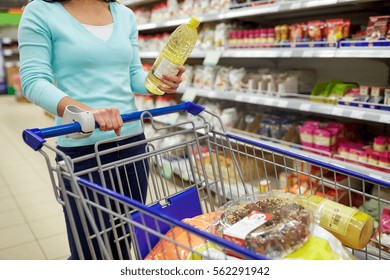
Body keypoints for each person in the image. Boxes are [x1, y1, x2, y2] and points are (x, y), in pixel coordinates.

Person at [18, 0, 185, 259]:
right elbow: (33, 80)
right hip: (83, 148)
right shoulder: (41, 11)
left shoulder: (124, 14)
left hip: (132, 143)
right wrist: (87, 112)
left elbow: (131, 75)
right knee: (90, 249)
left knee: (123, 238)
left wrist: (157, 82)